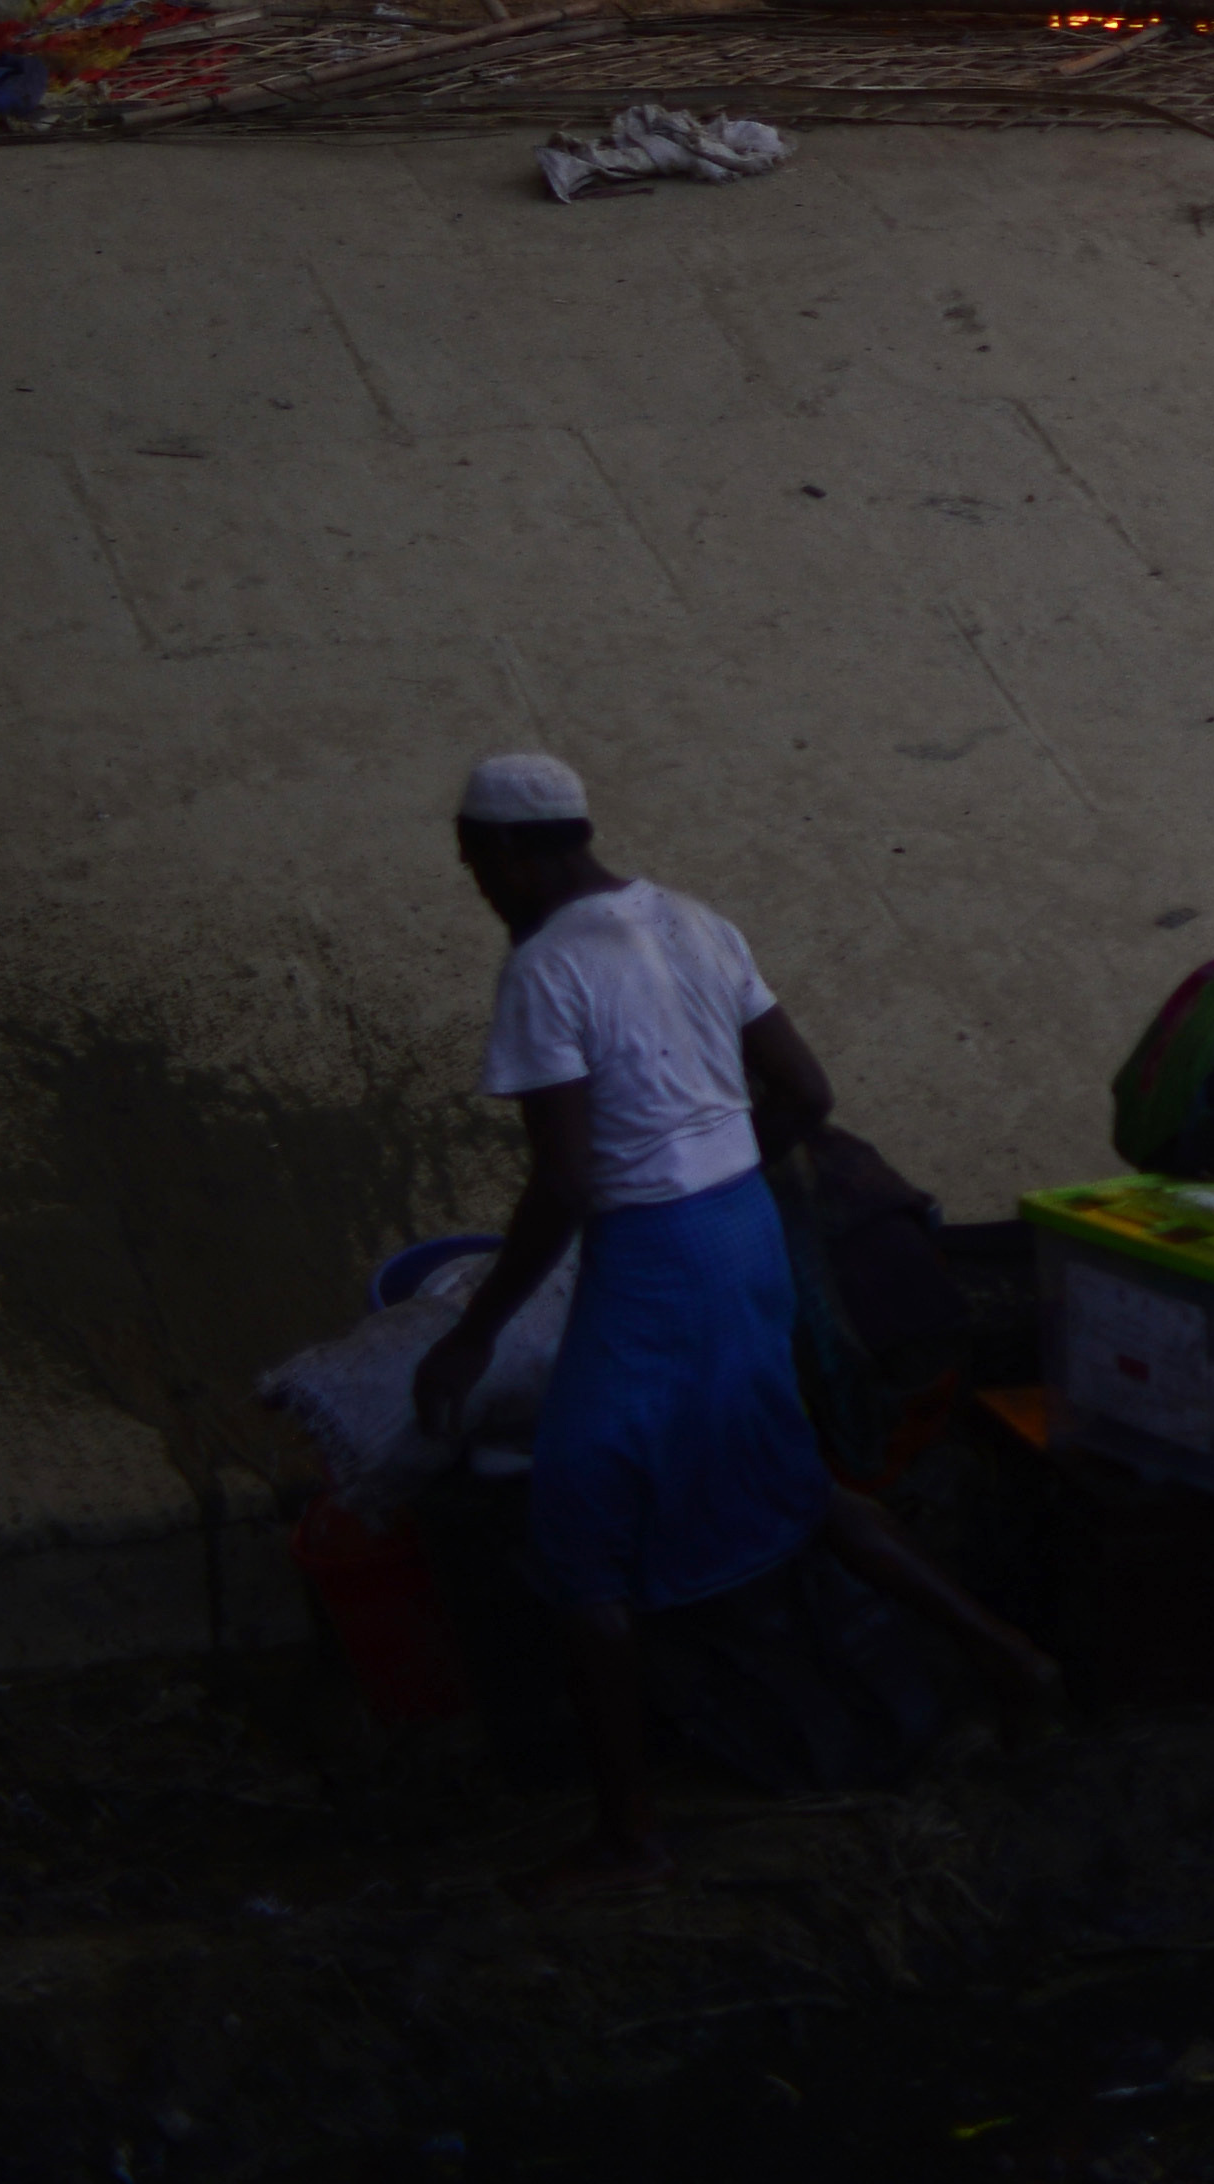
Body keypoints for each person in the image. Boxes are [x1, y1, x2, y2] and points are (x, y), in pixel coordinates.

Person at [408, 756, 1051, 1887]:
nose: (477, 887)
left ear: (510, 852)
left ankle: (629, 1832)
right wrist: (717, 1171)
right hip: (746, 1233)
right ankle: (1007, 1657)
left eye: (474, 865)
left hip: (658, 1264)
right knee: (784, 1470)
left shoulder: (548, 967)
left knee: (577, 1522)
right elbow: (807, 1094)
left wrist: (475, 1329)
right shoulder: (694, 920)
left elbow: (562, 1183)